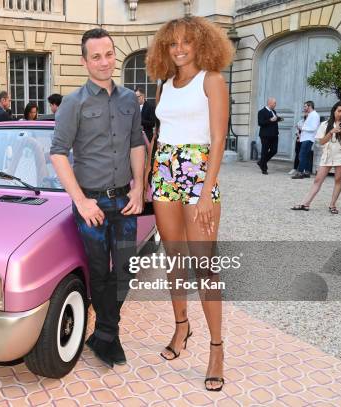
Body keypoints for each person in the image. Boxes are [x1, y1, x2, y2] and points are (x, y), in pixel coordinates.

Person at [145, 15, 233, 391]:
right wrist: (150, 175)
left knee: (204, 266)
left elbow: (217, 140)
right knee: (174, 258)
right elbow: (162, 134)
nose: (179, 49)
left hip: (198, 175)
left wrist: (206, 193)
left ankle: (217, 348)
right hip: (164, 173)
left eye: (186, 42)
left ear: (201, 44)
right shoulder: (165, 84)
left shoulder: (211, 80)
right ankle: (182, 328)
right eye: (172, 43)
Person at [50, 28, 144, 369]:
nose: (105, 62)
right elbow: (58, 153)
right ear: (84, 61)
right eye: (96, 56)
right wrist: (80, 201)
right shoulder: (74, 103)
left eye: (109, 54)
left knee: (125, 269)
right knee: (99, 273)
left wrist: (138, 186)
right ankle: (108, 334)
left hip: (125, 201)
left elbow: (137, 143)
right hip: (91, 203)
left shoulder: (129, 100)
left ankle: (104, 332)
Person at [291, 101, 341, 214]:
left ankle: (332, 205)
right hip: (327, 155)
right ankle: (305, 203)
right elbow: (321, 142)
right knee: (318, 179)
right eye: (339, 111)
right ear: (334, 110)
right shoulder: (325, 124)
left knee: (338, 179)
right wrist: (331, 132)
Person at [292, 101, 320, 179]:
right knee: (306, 155)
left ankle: (300, 173)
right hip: (306, 138)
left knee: (302, 155)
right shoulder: (311, 115)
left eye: (305, 106)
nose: (304, 108)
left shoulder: (314, 115)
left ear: (309, 106)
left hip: (309, 138)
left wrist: (302, 128)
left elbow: (314, 128)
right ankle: (307, 172)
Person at [257, 97, 282, 174]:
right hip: (265, 135)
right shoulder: (262, 111)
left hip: (274, 135)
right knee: (264, 151)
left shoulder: (273, 111)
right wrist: (270, 120)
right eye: (274, 103)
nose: (275, 104)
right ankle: (264, 168)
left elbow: (274, 120)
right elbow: (260, 123)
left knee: (274, 150)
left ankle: (261, 162)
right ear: (270, 103)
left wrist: (278, 119)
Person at [289, 111, 307, 176]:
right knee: (297, 154)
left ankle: (303, 169)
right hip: (299, 140)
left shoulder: (310, 123)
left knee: (304, 155)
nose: (306, 115)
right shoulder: (300, 121)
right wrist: (299, 136)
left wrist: (301, 130)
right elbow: (296, 130)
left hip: (306, 140)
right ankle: (294, 168)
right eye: (305, 114)